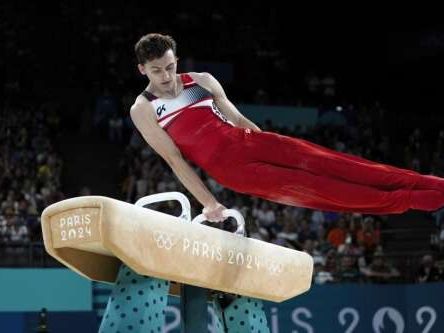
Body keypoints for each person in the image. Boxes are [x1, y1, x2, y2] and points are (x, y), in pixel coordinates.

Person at [130, 33, 444, 222]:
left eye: (170, 67)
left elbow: (239, 120)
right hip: (233, 171)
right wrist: (209, 202)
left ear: (177, 60)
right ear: (143, 70)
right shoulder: (144, 109)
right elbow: (175, 160)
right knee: (328, 190)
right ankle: (414, 200)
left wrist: (266, 141)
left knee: (341, 164)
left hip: (252, 142)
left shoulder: (200, 81)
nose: (167, 76)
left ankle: (435, 186)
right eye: (157, 71)